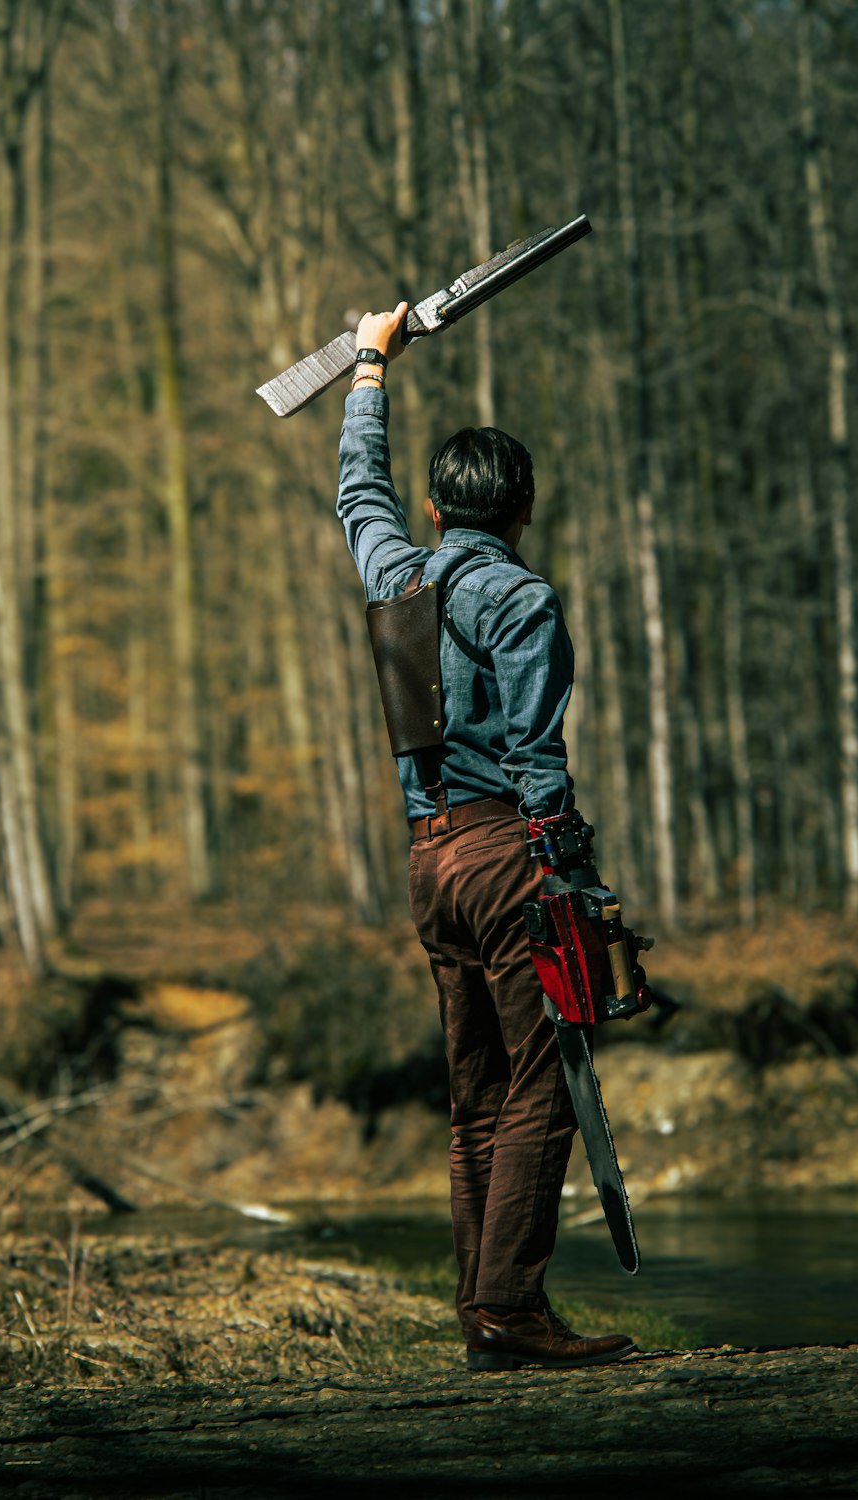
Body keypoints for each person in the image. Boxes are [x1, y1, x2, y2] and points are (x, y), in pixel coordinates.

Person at [336, 300, 635, 1372]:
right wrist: (577, 883)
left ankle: (486, 1311)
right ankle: (508, 1308)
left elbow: (354, 493)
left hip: (428, 863)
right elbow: (538, 760)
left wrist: (369, 365)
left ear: (434, 503)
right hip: (509, 856)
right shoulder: (521, 598)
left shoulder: (395, 572)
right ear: (524, 508)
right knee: (544, 1079)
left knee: (475, 1098)